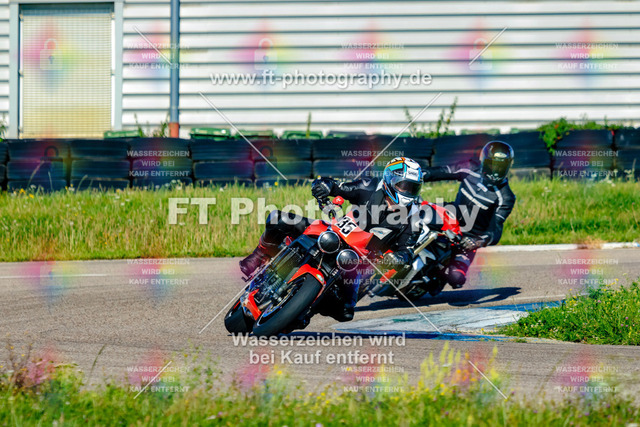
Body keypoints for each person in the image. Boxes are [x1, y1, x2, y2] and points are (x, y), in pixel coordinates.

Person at [239, 157, 424, 321]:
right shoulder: (370, 187)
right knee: (277, 219)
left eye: (413, 188)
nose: (408, 192)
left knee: (345, 312)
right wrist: (324, 186)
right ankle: (260, 255)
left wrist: (399, 258)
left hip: (360, 261)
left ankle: (307, 307)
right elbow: (339, 187)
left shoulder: (414, 218)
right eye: (404, 186)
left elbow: (407, 250)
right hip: (334, 233)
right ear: (390, 181)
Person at [421, 141, 516, 289]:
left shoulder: (506, 197)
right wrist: (420, 174)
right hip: (448, 217)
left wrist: (478, 242)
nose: (496, 171)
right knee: (414, 215)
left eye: (501, 166)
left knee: (456, 278)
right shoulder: (470, 168)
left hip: (468, 239)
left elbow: (496, 229)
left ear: (508, 166)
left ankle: (436, 278)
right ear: (484, 161)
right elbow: (442, 171)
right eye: (492, 165)